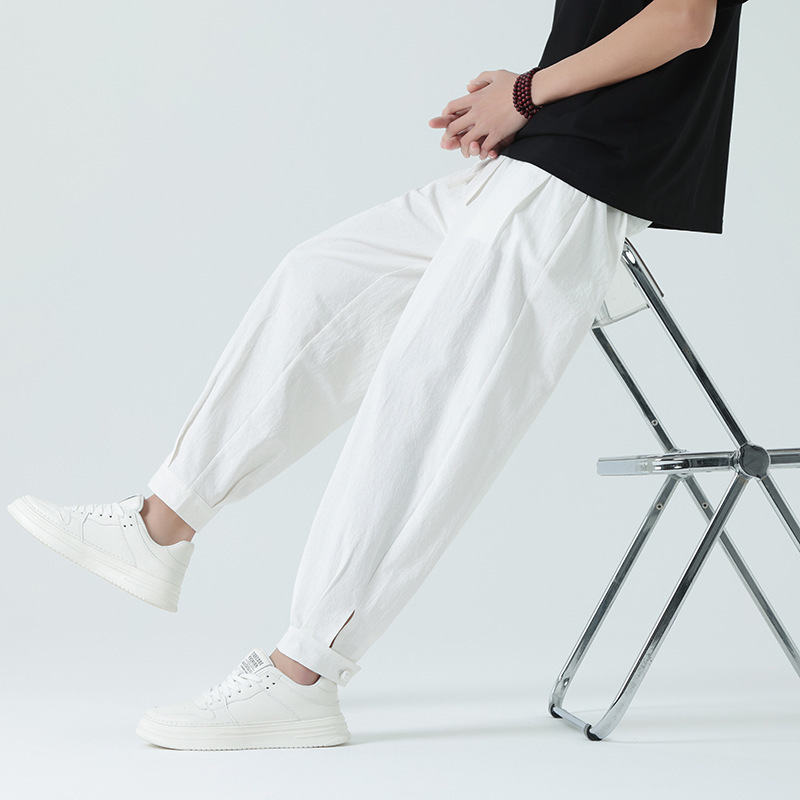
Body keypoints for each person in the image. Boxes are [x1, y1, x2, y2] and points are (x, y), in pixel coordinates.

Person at [7, 0, 747, 750]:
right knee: (319, 282)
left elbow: (683, 19)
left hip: (582, 183)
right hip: (541, 156)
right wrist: (523, 97)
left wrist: (526, 94)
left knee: (424, 403)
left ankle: (305, 676)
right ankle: (160, 524)